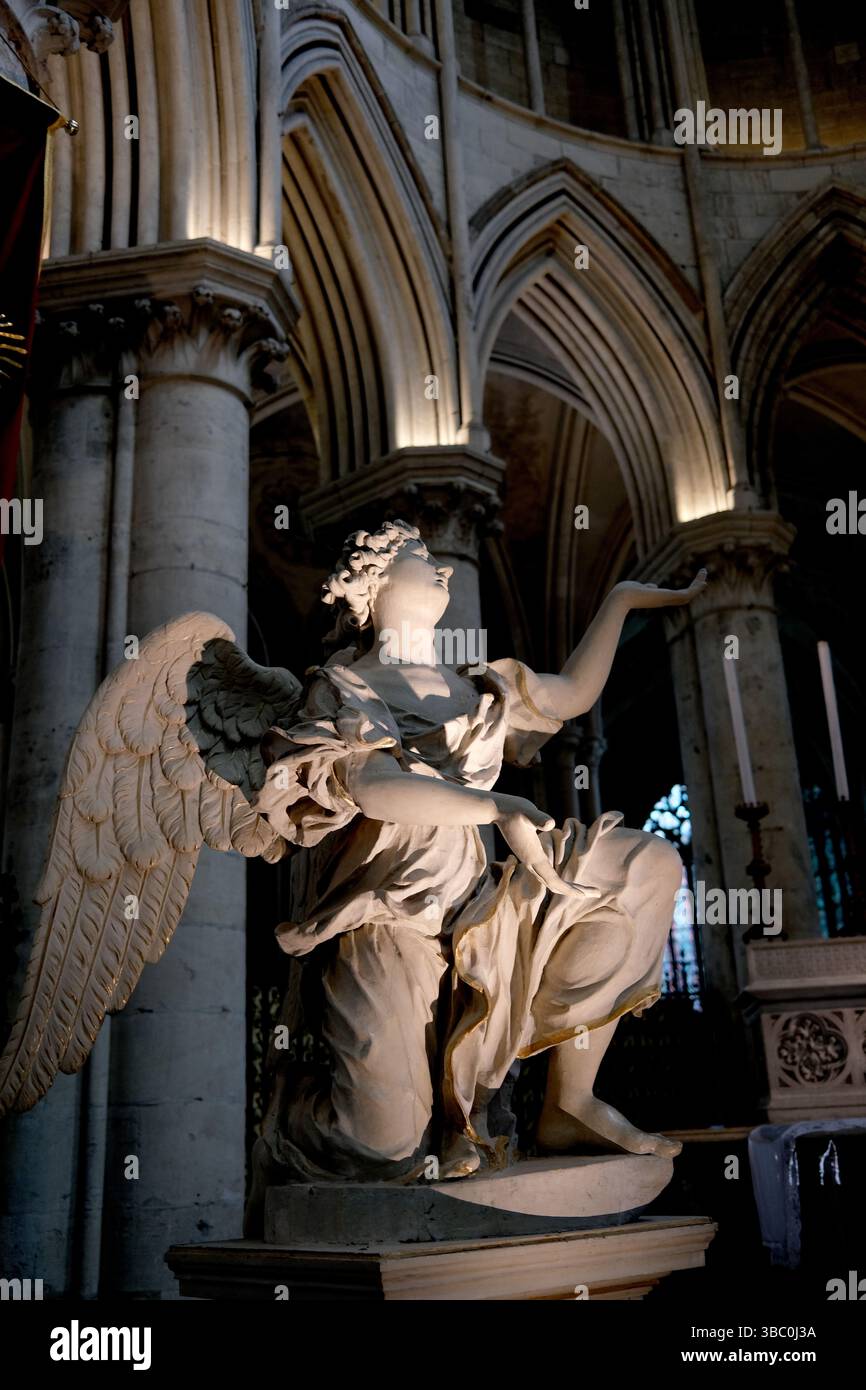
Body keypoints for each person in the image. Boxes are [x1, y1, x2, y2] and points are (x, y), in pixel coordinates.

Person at [250, 520, 706, 1186]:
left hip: (485, 908)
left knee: (646, 864)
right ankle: (293, 1127)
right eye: (417, 554)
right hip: (389, 926)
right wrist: (501, 806)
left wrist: (622, 601)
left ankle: (568, 1101)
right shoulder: (344, 689)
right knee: (385, 1146)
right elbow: (375, 787)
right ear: (371, 581)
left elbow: (573, 694)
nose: (440, 566)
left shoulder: (478, 688)